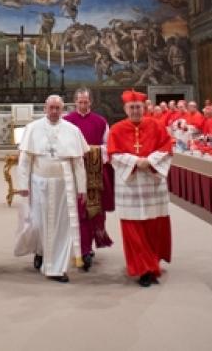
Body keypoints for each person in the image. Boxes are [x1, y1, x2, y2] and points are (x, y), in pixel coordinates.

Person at [14, 95, 89, 283]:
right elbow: (25, 161)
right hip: (40, 184)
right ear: (45, 108)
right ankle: (40, 251)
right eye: (51, 108)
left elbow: (78, 163)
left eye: (58, 108)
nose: (54, 111)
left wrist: (82, 188)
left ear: (63, 109)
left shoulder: (72, 130)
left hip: (64, 185)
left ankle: (57, 268)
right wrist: (23, 185)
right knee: (39, 223)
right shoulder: (33, 128)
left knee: (61, 227)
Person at [108, 90, 172, 287]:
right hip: (131, 185)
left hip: (152, 184)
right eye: (132, 108)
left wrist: (149, 161)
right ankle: (142, 268)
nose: (135, 111)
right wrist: (136, 161)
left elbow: (167, 147)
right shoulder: (117, 129)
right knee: (133, 228)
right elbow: (113, 155)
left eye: (138, 107)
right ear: (126, 109)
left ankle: (152, 264)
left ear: (144, 108)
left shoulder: (157, 125)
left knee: (153, 224)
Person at [63, 88, 113, 268]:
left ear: (90, 102)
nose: (83, 105)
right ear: (75, 102)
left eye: (86, 102)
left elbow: (109, 147)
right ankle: (81, 248)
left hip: (94, 174)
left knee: (93, 211)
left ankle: (88, 247)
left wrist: (92, 151)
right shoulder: (66, 122)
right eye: (80, 102)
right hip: (73, 174)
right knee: (77, 210)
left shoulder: (100, 122)